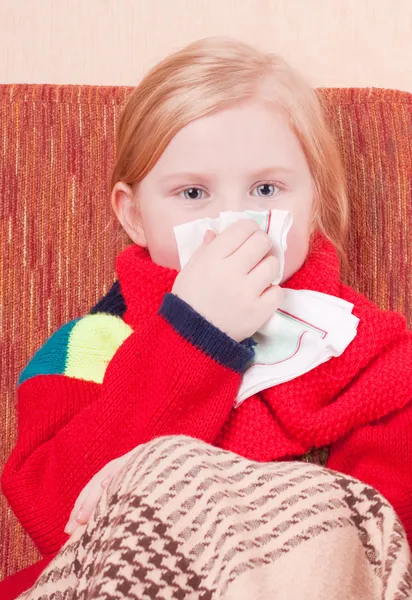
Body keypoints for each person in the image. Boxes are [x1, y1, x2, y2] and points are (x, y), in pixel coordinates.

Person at [2, 37, 412, 597]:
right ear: (135, 217)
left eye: (266, 188)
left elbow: (373, 546)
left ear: (314, 201)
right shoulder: (86, 347)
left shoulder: (372, 353)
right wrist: (194, 336)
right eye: (193, 193)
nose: (232, 222)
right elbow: (58, 521)